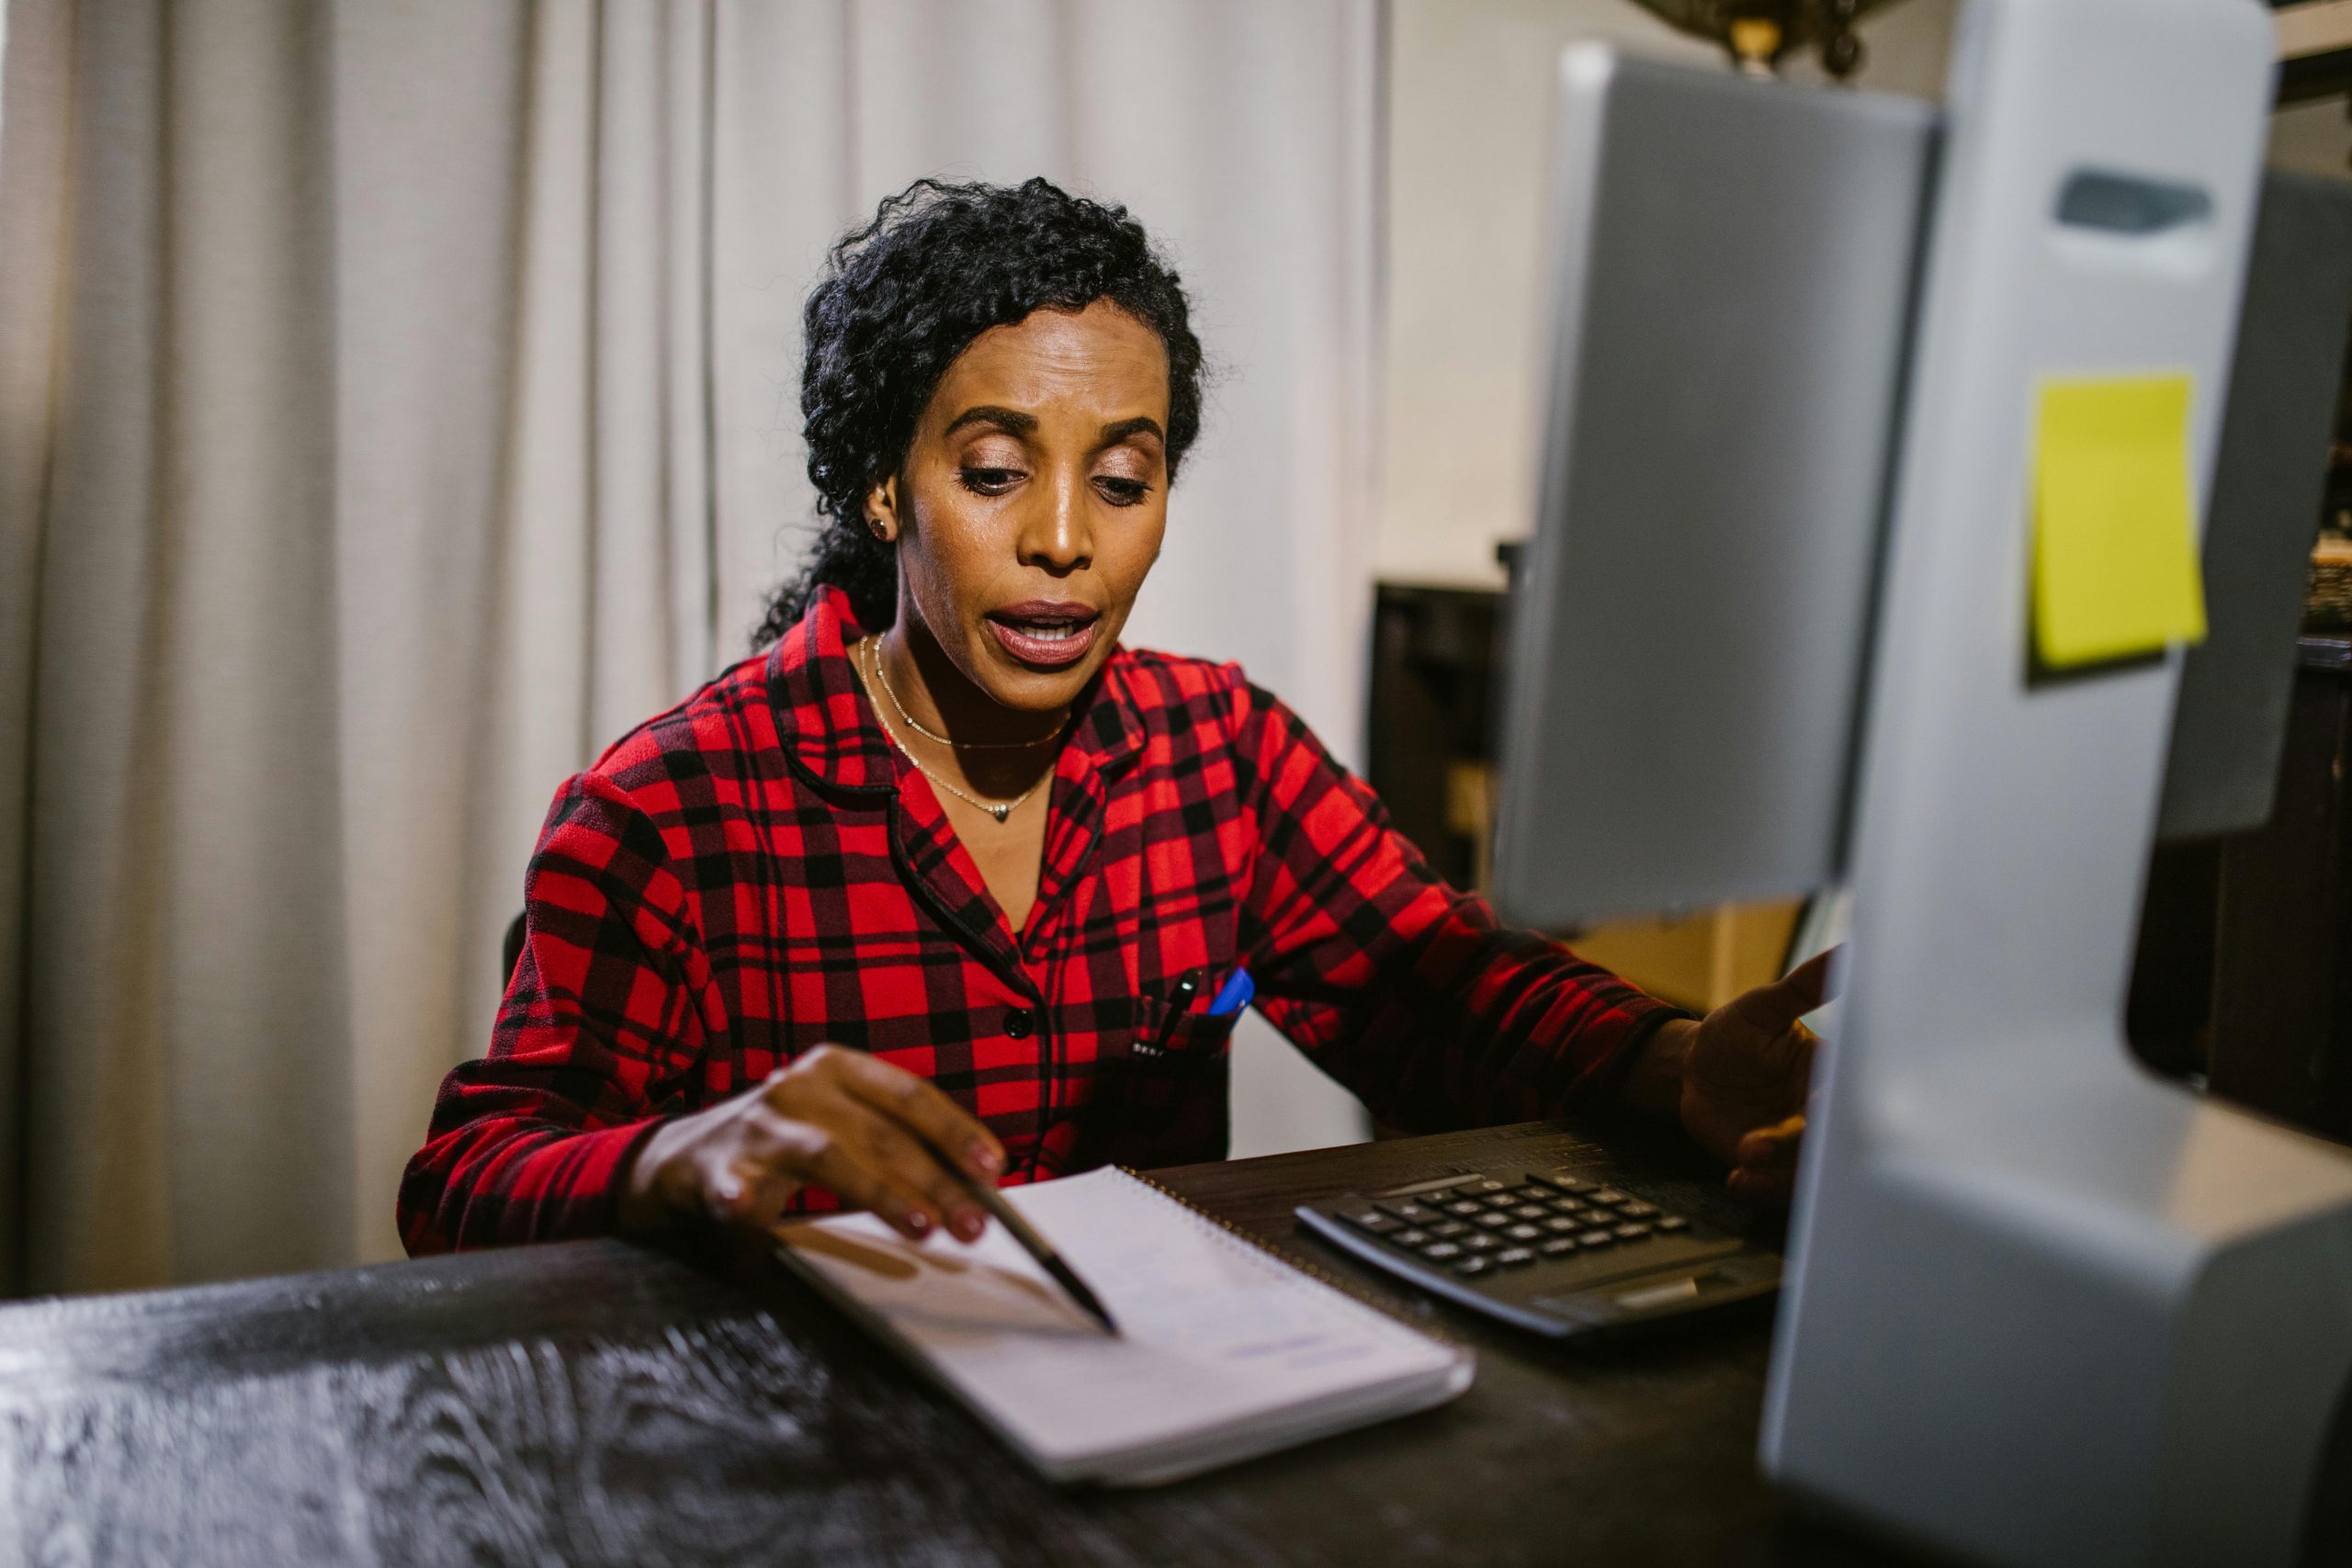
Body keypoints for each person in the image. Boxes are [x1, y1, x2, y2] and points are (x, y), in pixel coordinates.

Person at [398, 177, 1826, 1258]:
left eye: (1124, 481)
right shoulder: (674, 810)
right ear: (885, 488)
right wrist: (681, 1155)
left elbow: (1439, 991)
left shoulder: (1220, 754)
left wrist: (1679, 1061)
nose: (1067, 541)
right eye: (997, 470)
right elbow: (465, 1180)